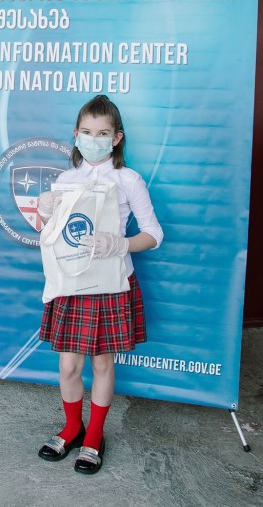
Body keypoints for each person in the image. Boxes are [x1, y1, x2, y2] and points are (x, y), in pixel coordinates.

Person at [34, 95, 163, 475]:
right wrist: (44, 213)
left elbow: (154, 234)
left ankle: (94, 435)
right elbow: (54, 237)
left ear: (116, 137)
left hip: (110, 282)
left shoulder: (128, 180)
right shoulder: (65, 180)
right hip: (73, 282)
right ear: (76, 135)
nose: (94, 139)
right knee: (68, 365)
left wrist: (120, 244)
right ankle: (72, 427)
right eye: (88, 132)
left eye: (103, 133)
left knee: (103, 361)